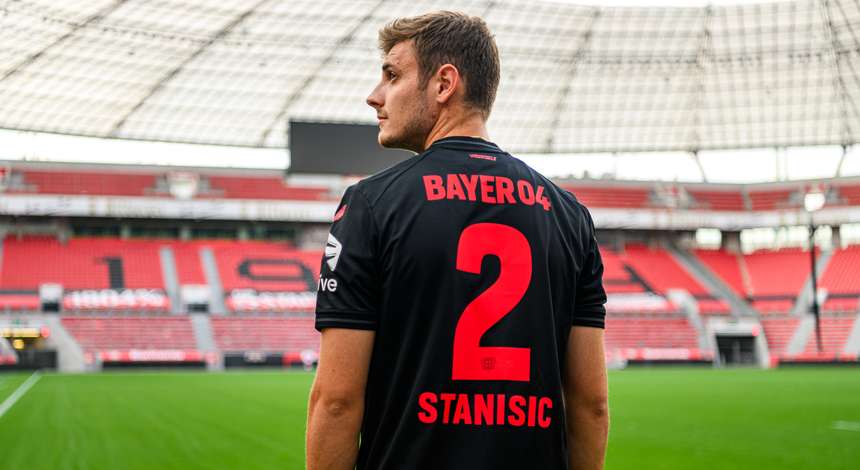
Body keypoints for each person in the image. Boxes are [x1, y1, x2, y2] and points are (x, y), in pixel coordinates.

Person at [306, 11, 608, 470]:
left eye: (392, 75)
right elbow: (591, 405)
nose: (374, 95)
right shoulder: (569, 215)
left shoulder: (371, 205)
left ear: (444, 83)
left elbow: (337, 402)